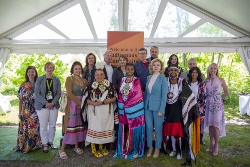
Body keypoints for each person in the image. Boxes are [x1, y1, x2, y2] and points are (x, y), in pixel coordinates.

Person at [162, 64, 199, 164]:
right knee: (169, 130)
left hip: (178, 109)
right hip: (167, 109)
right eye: (171, 70)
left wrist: (194, 106)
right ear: (168, 72)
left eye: (175, 70)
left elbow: (189, 95)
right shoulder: (165, 81)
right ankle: (173, 149)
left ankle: (179, 151)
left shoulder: (182, 82)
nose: (173, 72)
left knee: (177, 131)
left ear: (178, 72)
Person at [81, 69, 117, 157]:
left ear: (104, 75)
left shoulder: (110, 86)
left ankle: (103, 147)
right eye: (97, 75)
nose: (99, 76)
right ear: (94, 76)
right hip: (95, 112)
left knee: (105, 127)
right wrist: (95, 103)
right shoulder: (90, 87)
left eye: (101, 74)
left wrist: (110, 100)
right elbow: (85, 100)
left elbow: (115, 97)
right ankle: (95, 148)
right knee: (96, 128)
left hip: (107, 112)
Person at [115, 63, 145, 160]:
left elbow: (137, 94)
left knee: (132, 127)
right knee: (124, 127)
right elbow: (120, 93)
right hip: (122, 108)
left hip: (133, 108)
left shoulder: (136, 80)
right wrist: (121, 102)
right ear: (125, 70)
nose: (130, 71)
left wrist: (127, 103)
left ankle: (133, 149)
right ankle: (123, 148)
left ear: (134, 70)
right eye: (128, 69)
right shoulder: (122, 80)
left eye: (131, 69)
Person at [58, 61, 88, 159]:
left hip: (82, 106)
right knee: (70, 126)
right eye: (76, 69)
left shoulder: (85, 81)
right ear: (73, 70)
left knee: (79, 126)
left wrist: (83, 104)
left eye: (79, 69)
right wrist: (80, 103)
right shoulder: (69, 79)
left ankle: (76, 146)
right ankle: (62, 149)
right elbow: (69, 93)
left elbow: (87, 93)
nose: (78, 70)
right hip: (72, 105)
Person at [35, 62, 61, 153]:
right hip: (42, 106)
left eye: (51, 68)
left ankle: (50, 142)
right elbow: (36, 93)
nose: (49, 69)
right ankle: (44, 144)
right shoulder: (40, 79)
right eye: (48, 67)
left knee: (53, 125)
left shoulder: (57, 79)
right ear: (45, 68)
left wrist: (53, 103)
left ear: (53, 69)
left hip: (53, 105)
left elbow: (59, 93)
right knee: (43, 126)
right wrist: (46, 102)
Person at [14, 66, 41, 153]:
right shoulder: (23, 85)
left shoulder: (38, 84)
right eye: (29, 72)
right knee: (25, 127)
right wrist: (19, 112)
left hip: (36, 109)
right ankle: (24, 145)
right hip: (25, 110)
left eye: (33, 72)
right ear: (27, 73)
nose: (31, 73)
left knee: (34, 127)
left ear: (35, 73)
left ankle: (34, 145)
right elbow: (20, 99)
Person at [144, 58, 167, 158]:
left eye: (158, 65)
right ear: (151, 67)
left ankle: (157, 148)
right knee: (149, 127)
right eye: (154, 65)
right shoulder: (149, 77)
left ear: (161, 67)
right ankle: (150, 147)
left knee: (158, 128)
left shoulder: (163, 79)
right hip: (147, 107)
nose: (156, 66)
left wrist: (161, 110)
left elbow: (164, 96)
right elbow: (146, 94)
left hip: (158, 108)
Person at [204, 63, 229, 156]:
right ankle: (211, 144)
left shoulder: (221, 80)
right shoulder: (206, 80)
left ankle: (216, 146)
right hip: (208, 105)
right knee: (210, 125)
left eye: (215, 68)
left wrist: (218, 98)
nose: (213, 70)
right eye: (211, 68)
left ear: (217, 69)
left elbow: (227, 92)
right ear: (209, 70)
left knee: (216, 126)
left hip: (217, 106)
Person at [187, 67, 206, 145]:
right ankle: (188, 141)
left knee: (197, 125)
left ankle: (196, 142)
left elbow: (204, 97)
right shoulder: (186, 83)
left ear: (198, 74)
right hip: (188, 107)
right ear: (190, 73)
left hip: (197, 108)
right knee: (189, 125)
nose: (194, 74)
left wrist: (197, 104)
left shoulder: (201, 84)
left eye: (196, 72)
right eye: (193, 72)